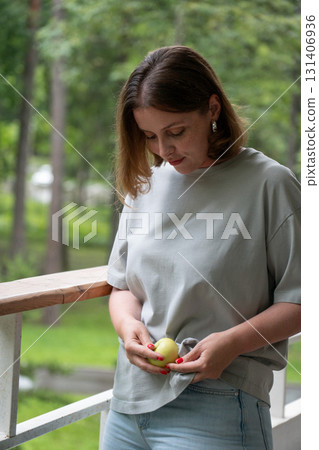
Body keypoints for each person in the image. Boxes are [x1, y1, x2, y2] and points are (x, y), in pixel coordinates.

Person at [102, 46, 301, 449]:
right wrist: (128, 330)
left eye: (175, 132)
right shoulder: (147, 184)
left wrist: (232, 343)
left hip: (220, 404)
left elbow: (304, 299)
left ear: (212, 108)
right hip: (128, 405)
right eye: (149, 136)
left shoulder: (270, 184)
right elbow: (123, 286)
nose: (164, 149)